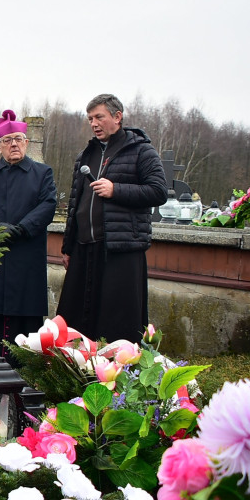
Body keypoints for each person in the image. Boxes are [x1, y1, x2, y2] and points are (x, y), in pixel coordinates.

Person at [56, 94, 166, 343]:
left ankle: (118, 365)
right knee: (75, 321)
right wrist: (68, 247)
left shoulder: (141, 150)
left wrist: (116, 190)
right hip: (84, 249)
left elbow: (158, 191)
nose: (94, 124)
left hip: (120, 249)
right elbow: (75, 203)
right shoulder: (86, 155)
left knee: (116, 323)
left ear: (117, 117)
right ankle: (76, 364)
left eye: (99, 117)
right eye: (90, 119)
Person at [0, 110, 57, 370]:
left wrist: (21, 229)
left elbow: (47, 205)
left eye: (18, 139)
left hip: (26, 258)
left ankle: (24, 379)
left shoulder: (43, 173)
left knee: (25, 321)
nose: (13, 144)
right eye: (7, 140)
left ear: (26, 143)